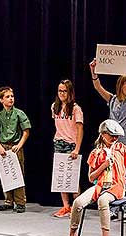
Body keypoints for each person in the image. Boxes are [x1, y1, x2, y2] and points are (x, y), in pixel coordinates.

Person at [89, 57, 126, 222]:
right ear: (121, 85)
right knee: (110, 173)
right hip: (110, 138)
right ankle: (112, 206)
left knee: (125, 174)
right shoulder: (112, 100)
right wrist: (93, 70)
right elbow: (97, 87)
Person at [0, 87, 31, 213]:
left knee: (17, 174)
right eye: (7, 97)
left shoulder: (19, 113)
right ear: (1, 100)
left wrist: (19, 144)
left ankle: (20, 202)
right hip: (4, 148)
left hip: (15, 147)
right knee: (6, 175)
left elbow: (26, 130)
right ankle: (8, 201)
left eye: (12, 96)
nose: (11, 99)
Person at [51, 79, 84, 218]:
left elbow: (80, 128)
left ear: (70, 92)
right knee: (61, 177)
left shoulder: (76, 108)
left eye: (65, 91)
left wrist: (77, 148)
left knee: (72, 178)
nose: (62, 93)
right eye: (60, 91)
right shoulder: (54, 107)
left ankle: (78, 206)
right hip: (59, 142)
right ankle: (66, 206)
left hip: (71, 144)